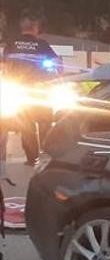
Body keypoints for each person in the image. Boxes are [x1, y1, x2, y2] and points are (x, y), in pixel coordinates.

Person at [1, 11, 60, 165]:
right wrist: (54, 77)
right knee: (45, 122)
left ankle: (32, 158)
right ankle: (49, 154)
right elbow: (57, 65)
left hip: (18, 90)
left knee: (26, 126)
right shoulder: (42, 44)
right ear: (35, 28)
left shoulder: (11, 43)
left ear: (22, 27)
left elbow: (4, 65)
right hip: (40, 90)